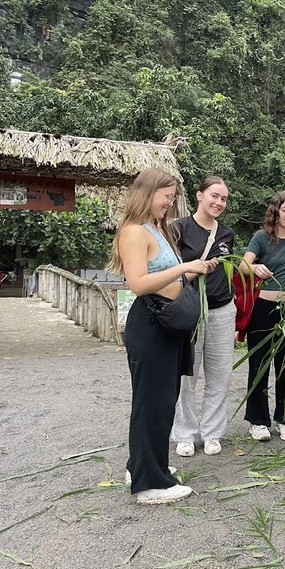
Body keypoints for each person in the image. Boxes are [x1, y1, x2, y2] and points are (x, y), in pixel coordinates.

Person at [106, 168, 214, 505]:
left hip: (167, 325)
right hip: (151, 322)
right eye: (166, 196)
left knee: (160, 400)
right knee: (152, 401)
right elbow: (138, 282)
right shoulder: (134, 232)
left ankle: (141, 466)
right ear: (148, 192)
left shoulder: (157, 229)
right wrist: (185, 267)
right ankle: (150, 485)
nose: (170, 202)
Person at [170, 176, 236, 458]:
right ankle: (184, 433)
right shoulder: (179, 229)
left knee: (220, 374)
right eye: (214, 196)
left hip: (222, 309)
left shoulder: (227, 234)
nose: (218, 203)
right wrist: (193, 268)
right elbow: (169, 270)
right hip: (190, 310)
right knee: (187, 375)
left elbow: (231, 269)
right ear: (199, 195)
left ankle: (212, 433)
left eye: (223, 199)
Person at [241, 191, 285, 442]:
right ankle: (258, 421)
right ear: (275, 211)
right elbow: (242, 265)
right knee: (259, 363)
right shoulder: (261, 237)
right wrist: (254, 267)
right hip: (263, 309)